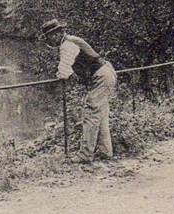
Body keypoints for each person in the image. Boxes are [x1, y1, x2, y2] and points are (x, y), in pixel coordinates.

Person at [39, 19, 117, 162]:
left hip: (100, 76)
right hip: (105, 73)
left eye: (50, 36)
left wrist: (61, 75)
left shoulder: (67, 45)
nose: (49, 41)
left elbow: (64, 70)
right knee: (101, 115)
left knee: (90, 113)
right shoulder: (71, 41)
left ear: (57, 34)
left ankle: (85, 155)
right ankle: (106, 152)